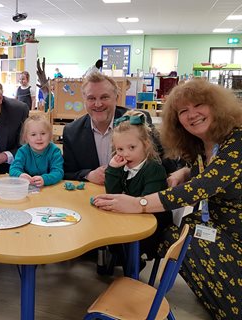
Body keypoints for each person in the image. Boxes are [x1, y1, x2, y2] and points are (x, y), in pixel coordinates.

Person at [93, 78, 242, 319]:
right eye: (183, 111)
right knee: (176, 234)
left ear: (217, 106)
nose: (192, 115)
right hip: (214, 225)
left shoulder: (237, 141)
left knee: (180, 238)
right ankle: (211, 290)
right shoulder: (201, 145)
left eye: (199, 105)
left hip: (234, 232)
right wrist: (186, 171)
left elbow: (201, 188)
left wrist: (139, 203)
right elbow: (205, 173)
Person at [63, 72, 157, 184]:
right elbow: (67, 172)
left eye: (104, 97)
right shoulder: (72, 132)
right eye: (91, 98)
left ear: (116, 98)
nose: (98, 104)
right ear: (85, 101)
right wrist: (88, 175)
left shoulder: (137, 120)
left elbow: (159, 161)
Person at [105, 110, 172, 264]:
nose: (126, 154)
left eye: (132, 148)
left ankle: (132, 263)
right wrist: (113, 169)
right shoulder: (123, 166)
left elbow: (148, 204)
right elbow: (113, 193)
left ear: (146, 145)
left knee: (118, 238)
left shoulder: (154, 169)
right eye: (120, 149)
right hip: (132, 219)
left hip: (151, 227)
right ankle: (121, 260)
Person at [9, 114, 63, 187]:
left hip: (49, 189)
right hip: (27, 189)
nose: (39, 138)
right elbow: (13, 169)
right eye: (33, 135)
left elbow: (58, 172)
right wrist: (20, 175)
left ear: (50, 135)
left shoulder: (54, 151)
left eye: (43, 133)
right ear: (26, 138)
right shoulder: (22, 151)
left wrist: (44, 179)